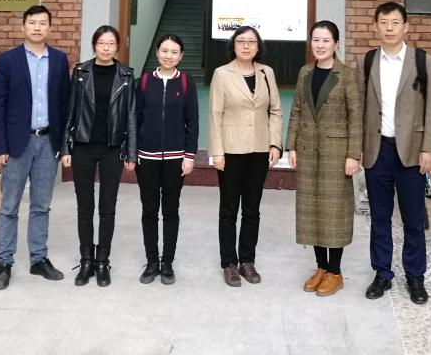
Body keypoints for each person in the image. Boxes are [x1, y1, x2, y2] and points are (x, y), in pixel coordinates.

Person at [358, 2, 431, 304]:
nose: (389, 28)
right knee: (379, 217)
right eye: (384, 22)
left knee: (413, 218)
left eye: (395, 22)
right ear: (376, 26)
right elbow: (360, 108)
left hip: (411, 152)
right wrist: (357, 150)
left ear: (406, 27)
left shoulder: (422, 60)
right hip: (377, 150)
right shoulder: (367, 61)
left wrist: (429, 148)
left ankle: (415, 277)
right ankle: (382, 273)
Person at [0, 5, 71, 290]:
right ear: (23, 26)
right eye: (32, 22)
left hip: (48, 141)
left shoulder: (59, 60)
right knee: (9, 205)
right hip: (16, 143)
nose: (37, 27)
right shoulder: (7, 60)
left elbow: (65, 104)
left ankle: (39, 259)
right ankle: (4, 262)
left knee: (41, 205)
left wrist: (64, 145)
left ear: (49, 28)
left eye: (42, 23)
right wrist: (0, 146)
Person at [287, 20, 362, 297]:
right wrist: (291, 146)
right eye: (316, 40)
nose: (320, 45)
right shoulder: (305, 72)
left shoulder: (347, 75)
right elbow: (297, 110)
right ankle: (321, 267)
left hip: (336, 153)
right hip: (308, 149)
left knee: (334, 211)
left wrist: (353, 154)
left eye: (326, 40)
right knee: (312, 209)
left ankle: (335, 272)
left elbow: (356, 117)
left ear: (336, 44)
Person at [60, 24, 137, 288]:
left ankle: (102, 262)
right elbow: (70, 110)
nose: (106, 48)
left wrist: (131, 152)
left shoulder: (126, 75)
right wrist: (66, 147)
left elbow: (131, 115)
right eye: (101, 43)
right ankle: (86, 261)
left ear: (117, 47)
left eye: (111, 43)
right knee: (85, 207)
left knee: (107, 208)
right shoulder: (81, 72)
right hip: (83, 146)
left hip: (112, 149)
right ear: (94, 45)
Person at [208, 25, 283, 287]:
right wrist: (217, 152)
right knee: (229, 209)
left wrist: (275, 144)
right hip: (230, 151)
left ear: (258, 46)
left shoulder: (266, 72)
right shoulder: (222, 73)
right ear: (233, 45)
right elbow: (215, 114)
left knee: (252, 209)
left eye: (251, 41)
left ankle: (247, 261)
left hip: (260, 149)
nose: (247, 46)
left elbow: (275, 110)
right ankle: (229, 262)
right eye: (241, 41)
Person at [135, 34, 199, 285]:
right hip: (146, 157)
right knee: (149, 210)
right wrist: (132, 152)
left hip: (175, 158)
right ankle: (152, 262)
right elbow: (135, 119)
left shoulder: (185, 82)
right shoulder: (143, 81)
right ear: (157, 52)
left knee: (171, 211)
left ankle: (167, 263)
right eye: (164, 50)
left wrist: (189, 155)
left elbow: (192, 121)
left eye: (174, 52)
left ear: (181, 56)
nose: (168, 55)